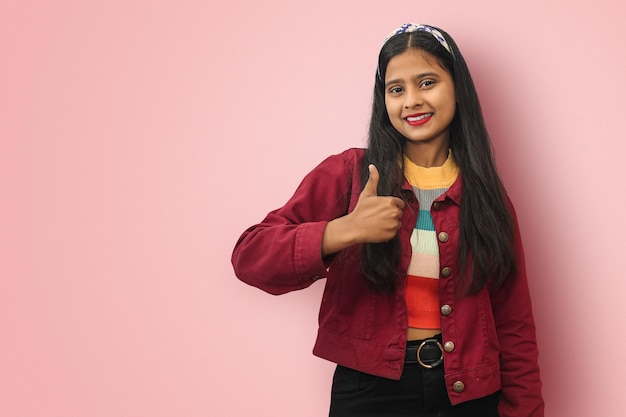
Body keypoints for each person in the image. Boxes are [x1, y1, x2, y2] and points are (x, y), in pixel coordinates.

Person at [231, 23, 544, 417]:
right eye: (396, 89)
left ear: (458, 89)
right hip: (369, 393)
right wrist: (343, 230)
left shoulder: (489, 199)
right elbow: (248, 256)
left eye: (427, 82)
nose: (411, 100)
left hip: (470, 395)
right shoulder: (350, 174)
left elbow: (515, 327)